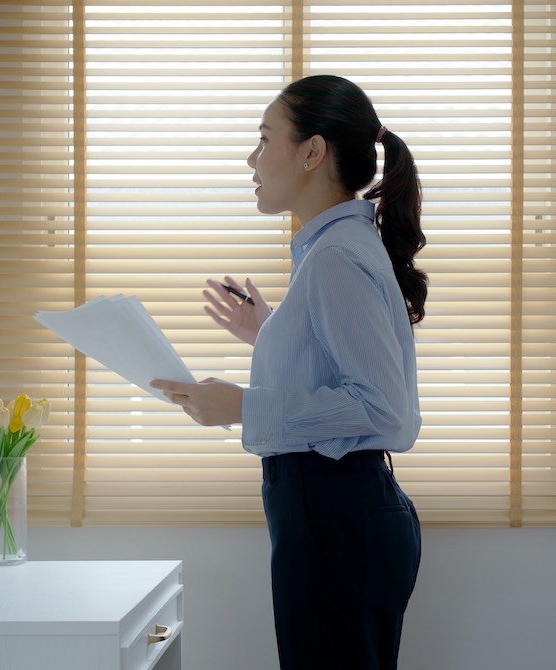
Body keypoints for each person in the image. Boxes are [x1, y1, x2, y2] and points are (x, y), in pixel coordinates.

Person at [151, 74, 426, 670]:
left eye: (264, 138)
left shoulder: (334, 258)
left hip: (336, 518)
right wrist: (272, 332)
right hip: (337, 514)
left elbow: (383, 407)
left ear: (311, 151)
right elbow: (342, 369)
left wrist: (244, 406)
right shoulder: (334, 250)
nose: (251, 158)